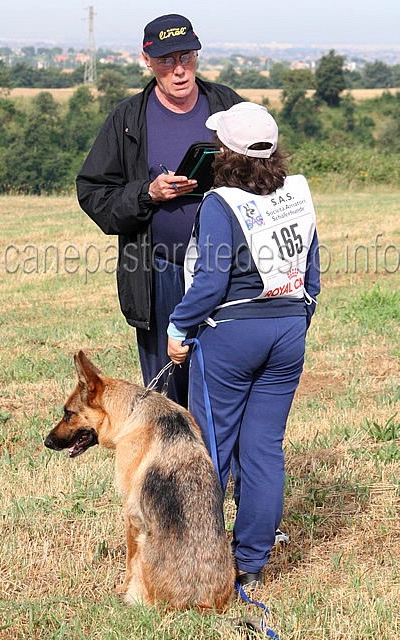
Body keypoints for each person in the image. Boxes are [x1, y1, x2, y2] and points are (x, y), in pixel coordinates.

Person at [167, 102, 321, 588]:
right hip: (289, 331)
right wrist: (298, 318)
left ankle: (203, 563)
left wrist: (178, 329)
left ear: (226, 152)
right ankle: (251, 565)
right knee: (264, 450)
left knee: (210, 451)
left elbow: (211, 281)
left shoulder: (220, 204)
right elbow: (311, 271)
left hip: (230, 336)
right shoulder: (297, 194)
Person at [76, 14, 243, 407]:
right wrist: (148, 193)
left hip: (226, 267)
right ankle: (169, 468)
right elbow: (93, 192)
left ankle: (223, 468)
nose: (179, 69)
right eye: (167, 60)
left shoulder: (229, 105)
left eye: (187, 56)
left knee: (225, 384)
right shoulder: (127, 119)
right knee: (167, 391)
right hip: (159, 272)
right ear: (147, 60)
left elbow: (264, 171)